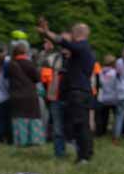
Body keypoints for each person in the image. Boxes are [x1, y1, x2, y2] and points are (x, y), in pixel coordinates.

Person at [36, 17, 96, 164]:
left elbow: (62, 42)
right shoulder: (83, 49)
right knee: (80, 125)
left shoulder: (81, 46)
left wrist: (47, 32)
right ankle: (84, 154)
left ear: (76, 33)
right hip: (81, 91)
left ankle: (84, 156)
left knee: (80, 125)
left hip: (78, 92)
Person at [6, 42, 43, 147]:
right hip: (30, 95)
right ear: (26, 52)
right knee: (33, 118)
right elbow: (37, 78)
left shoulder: (10, 65)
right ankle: (34, 140)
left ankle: (20, 140)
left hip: (15, 95)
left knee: (19, 118)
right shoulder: (29, 64)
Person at [95, 54, 119, 136]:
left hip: (103, 97)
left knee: (103, 117)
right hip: (114, 97)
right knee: (117, 116)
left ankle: (101, 131)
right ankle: (116, 131)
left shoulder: (100, 71)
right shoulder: (115, 73)